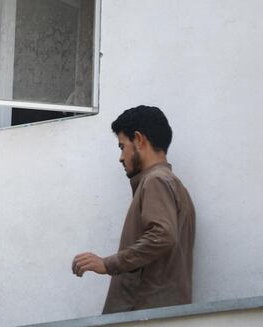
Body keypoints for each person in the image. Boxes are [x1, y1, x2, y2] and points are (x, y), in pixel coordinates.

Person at [72, 105, 195, 314]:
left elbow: (163, 235)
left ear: (139, 139)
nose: (121, 157)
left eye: (122, 146)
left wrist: (108, 264)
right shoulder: (173, 185)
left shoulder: (156, 181)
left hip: (144, 314)